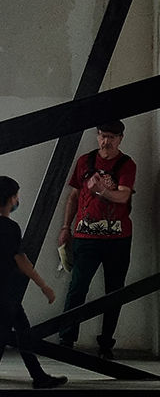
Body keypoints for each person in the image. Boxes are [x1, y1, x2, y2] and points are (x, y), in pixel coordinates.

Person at [0, 176, 67, 389]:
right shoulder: (10, 227)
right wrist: (43, 285)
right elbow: (21, 260)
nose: (18, 199)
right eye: (16, 196)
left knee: (23, 331)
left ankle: (38, 376)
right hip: (7, 287)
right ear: (11, 198)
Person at [58, 121, 135, 359]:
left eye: (111, 137)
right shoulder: (85, 161)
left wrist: (102, 190)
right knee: (77, 287)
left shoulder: (126, 164)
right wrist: (65, 227)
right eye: (103, 135)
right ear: (97, 136)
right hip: (85, 238)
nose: (106, 141)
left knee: (114, 292)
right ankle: (66, 338)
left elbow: (123, 196)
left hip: (118, 240)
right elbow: (73, 196)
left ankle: (106, 344)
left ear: (120, 138)